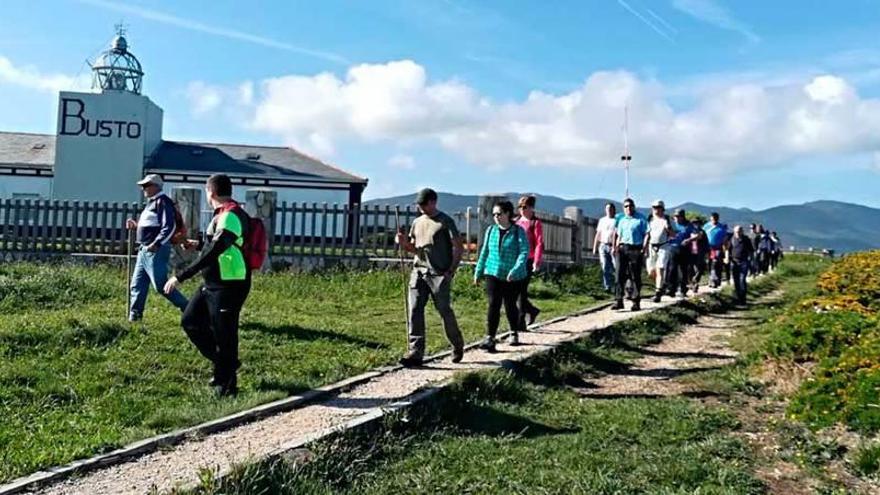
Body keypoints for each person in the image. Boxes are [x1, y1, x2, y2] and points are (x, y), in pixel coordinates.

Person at [163, 174, 252, 397]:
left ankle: (227, 384)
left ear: (210, 191)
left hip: (229, 284)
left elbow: (216, 251)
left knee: (225, 333)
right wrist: (200, 244)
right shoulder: (222, 215)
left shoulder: (230, 215)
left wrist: (180, 276)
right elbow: (217, 245)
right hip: (212, 283)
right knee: (190, 321)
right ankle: (226, 365)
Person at [395, 188, 466, 367]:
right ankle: (415, 352)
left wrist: (452, 270)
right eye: (418, 205)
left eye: (423, 204)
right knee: (415, 309)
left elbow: (458, 247)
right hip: (419, 270)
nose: (420, 208)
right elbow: (414, 248)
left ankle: (457, 344)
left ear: (433, 202)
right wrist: (403, 243)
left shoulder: (445, 222)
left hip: (439, 273)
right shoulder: (417, 222)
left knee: (444, 310)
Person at [126, 174, 189, 322]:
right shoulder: (152, 203)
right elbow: (153, 225)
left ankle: (189, 308)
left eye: (146, 185)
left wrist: (157, 243)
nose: (143, 188)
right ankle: (135, 317)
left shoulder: (163, 202)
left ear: (156, 186)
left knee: (161, 285)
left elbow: (169, 226)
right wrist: (136, 226)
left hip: (155, 250)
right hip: (144, 249)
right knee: (137, 285)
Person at [475, 200, 530, 350]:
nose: (496, 217)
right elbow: (484, 252)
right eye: (494, 214)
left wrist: (516, 269)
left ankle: (513, 332)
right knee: (493, 304)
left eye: (499, 214)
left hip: (512, 275)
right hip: (492, 272)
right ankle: (490, 338)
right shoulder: (491, 231)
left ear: (507, 214)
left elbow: (524, 252)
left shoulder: (518, 231)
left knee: (510, 304)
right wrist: (478, 272)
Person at [613, 198, 649, 311]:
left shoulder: (640, 219)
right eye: (626, 206)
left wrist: (644, 247)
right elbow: (618, 235)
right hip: (623, 248)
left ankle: (636, 301)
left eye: (630, 206)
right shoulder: (622, 220)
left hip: (636, 248)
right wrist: (616, 247)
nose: (628, 208)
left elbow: (647, 233)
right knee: (619, 275)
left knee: (635, 276)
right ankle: (619, 300)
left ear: (634, 206)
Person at [515, 195, 543, 328]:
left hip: (528, 260)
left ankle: (520, 322)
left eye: (524, 207)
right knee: (514, 291)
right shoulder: (516, 222)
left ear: (531, 207)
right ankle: (532, 310)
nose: (521, 209)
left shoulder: (535, 223)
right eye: (520, 206)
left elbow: (539, 243)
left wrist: (536, 261)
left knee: (522, 290)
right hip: (516, 260)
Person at [644, 200, 675, 303]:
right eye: (654, 207)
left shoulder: (667, 220)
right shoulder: (650, 220)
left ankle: (658, 293)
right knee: (651, 271)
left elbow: (673, 235)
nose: (656, 209)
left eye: (658, 207)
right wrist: (644, 247)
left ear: (662, 209)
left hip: (663, 246)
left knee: (660, 269)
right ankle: (662, 285)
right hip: (651, 246)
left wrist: (668, 228)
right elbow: (647, 234)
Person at [665, 209, 699, 298]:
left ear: (683, 217)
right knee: (672, 269)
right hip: (672, 248)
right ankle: (671, 289)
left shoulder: (688, 225)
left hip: (684, 249)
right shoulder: (671, 224)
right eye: (675, 216)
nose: (677, 218)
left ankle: (683, 289)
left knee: (684, 270)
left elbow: (697, 235)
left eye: (678, 216)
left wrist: (689, 240)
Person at [592, 202, 618, 293]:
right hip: (603, 245)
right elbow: (598, 234)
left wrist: (616, 246)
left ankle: (618, 285)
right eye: (607, 209)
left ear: (614, 210)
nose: (609, 211)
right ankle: (607, 286)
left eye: (611, 209)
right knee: (605, 266)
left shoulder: (617, 220)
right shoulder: (602, 220)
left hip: (613, 246)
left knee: (616, 266)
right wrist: (595, 246)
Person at [728, 225, 754, 305]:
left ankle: (743, 299)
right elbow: (727, 249)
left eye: (739, 231)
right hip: (734, 262)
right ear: (734, 232)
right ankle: (737, 298)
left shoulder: (746, 239)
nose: (738, 233)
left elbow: (751, 251)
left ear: (742, 231)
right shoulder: (731, 239)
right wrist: (727, 258)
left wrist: (751, 261)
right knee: (736, 281)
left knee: (742, 280)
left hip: (744, 262)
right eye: (736, 232)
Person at [702, 212, 728, 288]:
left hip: (718, 248)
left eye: (716, 219)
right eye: (713, 219)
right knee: (710, 264)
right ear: (711, 218)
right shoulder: (706, 226)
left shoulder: (721, 227)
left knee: (716, 263)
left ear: (718, 219)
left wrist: (725, 249)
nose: (714, 220)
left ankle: (716, 279)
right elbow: (702, 235)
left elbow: (725, 238)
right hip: (708, 247)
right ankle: (712, 279)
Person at [689, 218, 709, 293]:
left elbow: (706, 243)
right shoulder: (689, 231)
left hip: (699, 253)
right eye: (693, 223)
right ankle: (693, 283)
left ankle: (695, 282)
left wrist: (706, 253)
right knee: (690, 269)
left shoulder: (702, 232)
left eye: (696, 223)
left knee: (699, 269)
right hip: (690, 253)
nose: (695, 224)